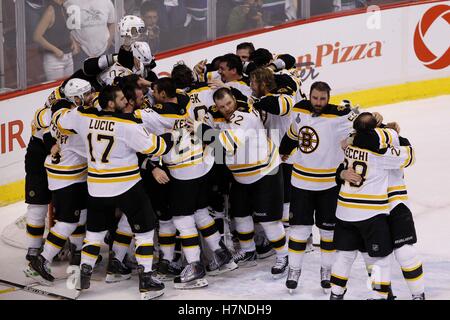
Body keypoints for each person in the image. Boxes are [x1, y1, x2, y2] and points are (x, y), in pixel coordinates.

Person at [53, 84, 176, 299]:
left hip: (97, 187)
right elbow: (154, 148)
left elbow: (58, 120)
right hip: (127, 186)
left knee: (94, 233)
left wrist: (80, 106)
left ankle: (80, 276)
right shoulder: (127, 124)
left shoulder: (83, 117)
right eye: (121, 99)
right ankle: (147, 280)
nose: (127, 102)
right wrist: (170, 136)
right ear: (110, 103)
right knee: (145, 230)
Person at [191, 87, 289, 278]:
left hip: (264, 173)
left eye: (228, 103)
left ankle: (284, 256)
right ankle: (248, 251)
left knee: (269, 221)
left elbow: (226, 144)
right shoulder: (219, 117)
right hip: (241, 176)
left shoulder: (244, 116)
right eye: (221, 106)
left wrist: (199, 129)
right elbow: (219, 150)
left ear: (234, 99)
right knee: (241, 215)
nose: (226, 108)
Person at [279, 81, 358, 293]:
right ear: (310, 96)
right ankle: (294, 270)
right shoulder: (299, 109)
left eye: (323, 99)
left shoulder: (340, 116)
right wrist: (283, 150)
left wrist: (351, 137)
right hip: (301, 182)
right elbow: (293, 134)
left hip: (329, 184)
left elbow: (362, 126)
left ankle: (327, 270)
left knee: (328, 231)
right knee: (299, 230)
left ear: (328, 98)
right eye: (315, 98)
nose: (318, 102)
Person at [330, 112, 415, 300]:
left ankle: (335, 295)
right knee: (380, 258)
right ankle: (381, 295)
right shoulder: (380, 149)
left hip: (346, 211)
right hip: (372, 211)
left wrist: (343, 173)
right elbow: (409, 154)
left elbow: (342, 164)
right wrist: (388, 128)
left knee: (344, 257)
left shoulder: (350, 146)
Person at [26, 79, 95, 284]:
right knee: (68, 221)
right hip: (68, 178)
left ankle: (76, 251)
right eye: (87, 94)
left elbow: (48, 131)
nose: (91, 96)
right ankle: (42, 259)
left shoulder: (60, 115)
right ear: (76, 98)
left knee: (79, 214)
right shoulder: (76, 119)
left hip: (64, 175)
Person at [64, 0, 116, 70]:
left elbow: (112, 23)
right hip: (81, 52)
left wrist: (107, 44)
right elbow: (62, 24)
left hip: (103, 51)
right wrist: (73, 42)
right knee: (81, 80)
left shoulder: (107, 2)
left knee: (103, 79)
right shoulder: (69, 2)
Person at [33, 0, 78, 81]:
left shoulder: (63, 8)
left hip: (68, 56)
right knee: (56, 90)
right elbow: (37, 36)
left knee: (69, 89)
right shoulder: (50, 10)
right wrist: (55, 50)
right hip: (55, 60)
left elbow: (63, 30)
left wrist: (73, 41)